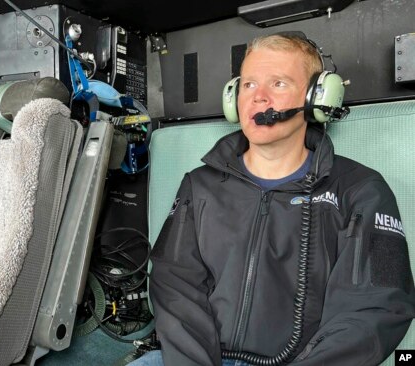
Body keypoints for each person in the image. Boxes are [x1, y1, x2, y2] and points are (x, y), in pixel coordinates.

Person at [131, 33, 415, 365]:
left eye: (278, 84)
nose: (258, 98)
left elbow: (374, 308)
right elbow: (174, 284)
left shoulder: (360, 190)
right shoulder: (199, 185)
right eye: (248, 85)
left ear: (316, 98)